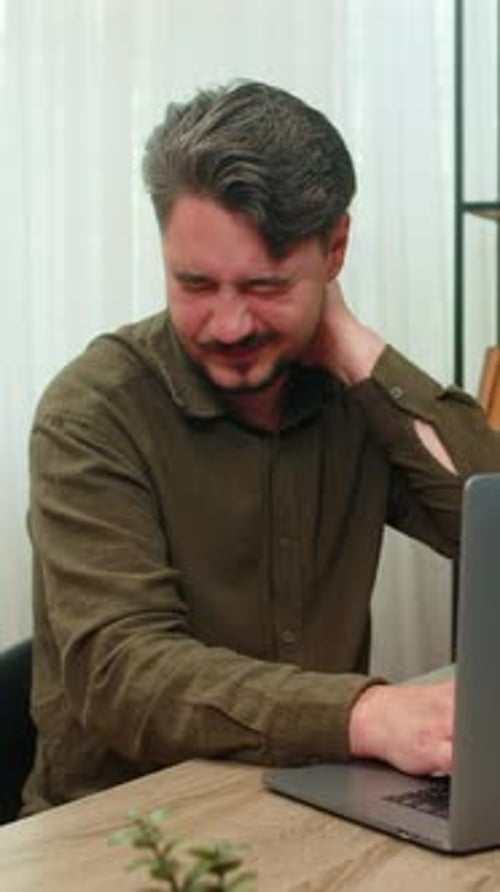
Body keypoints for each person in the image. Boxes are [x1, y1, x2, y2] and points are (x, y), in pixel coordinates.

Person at [23, 80, 500, 814]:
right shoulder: (93, 410)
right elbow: (122, 673)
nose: (229, 324)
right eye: (195, 284)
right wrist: (363, 716)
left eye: (267, 285)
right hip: (124, 830)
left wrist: (356, 349)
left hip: (316, 809)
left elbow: (487, 519)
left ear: (335, 248)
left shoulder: (355, 397)